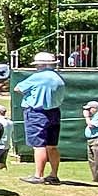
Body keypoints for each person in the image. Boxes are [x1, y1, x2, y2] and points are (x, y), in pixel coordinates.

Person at [14, 52, 67, 185]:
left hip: (37, 113)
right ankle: (54, 175)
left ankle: (38, 175)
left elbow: (18, 88)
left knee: (39, 145)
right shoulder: (58, 78)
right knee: (52, 146)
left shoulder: (38, 77)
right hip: (54, 112)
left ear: (41, 65)